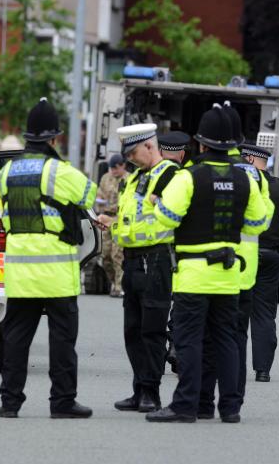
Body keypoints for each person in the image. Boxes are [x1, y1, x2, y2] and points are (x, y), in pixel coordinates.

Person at [147, 105, 271, 423]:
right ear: (234, 144)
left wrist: (158, 205)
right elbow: (258, 223)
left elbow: (167, 217)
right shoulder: (247, 179)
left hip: (193, 274)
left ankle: (186, 405)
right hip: (230, 274)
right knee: (228, 340)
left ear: (201, 144)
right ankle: (230, 408)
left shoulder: (189, 177)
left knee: (189, 340)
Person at [0, 98, 98, 419]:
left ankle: (9, 403)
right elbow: (89, 196)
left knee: (15, 341)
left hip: (19, 273)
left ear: (27, 136)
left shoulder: (8, 170)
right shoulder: (59, 170)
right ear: (54, 139)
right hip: (56, 274)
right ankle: (62, 402)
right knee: (62, 341)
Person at [98, 123, 179, 414]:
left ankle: (151, 393)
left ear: (149, 146)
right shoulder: (133, 180)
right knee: (132, 329)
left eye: (133, 153)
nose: (130, 159)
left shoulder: (171, 176)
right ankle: (138, 389)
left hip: (156, 259)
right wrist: (112, 223)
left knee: (152, 330)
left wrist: (121, 227)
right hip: (132, 258)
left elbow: (164, 221)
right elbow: (130, 219)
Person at [198, 104, 273, 416]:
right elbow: (263, 218)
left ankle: (202, 402)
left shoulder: (200, 172)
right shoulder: (255, 175)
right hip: (244, 269)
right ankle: (232, 404)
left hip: (205, 268)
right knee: (234, 339)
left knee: (205, 338)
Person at [241, 142, 279, 383]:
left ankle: (229, 365)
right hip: (270, 256)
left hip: (243, 256)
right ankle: (262, 370)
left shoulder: (243, 184)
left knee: (235, 312)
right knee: (264, 314)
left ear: (249, 160)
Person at [157, 130, 191, 374]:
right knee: (180, 304)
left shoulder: (150, 176)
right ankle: (177, 349)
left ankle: (155, 355)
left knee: (156, 304)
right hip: (182, 250)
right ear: (183, 154)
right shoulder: (189, 177)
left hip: (153, 250)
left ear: (160, 151)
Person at [96, 154, 127, 298]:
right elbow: (99, 194)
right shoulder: (105, 178)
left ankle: (119, 286)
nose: (113, 170)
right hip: (106, 217)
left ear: (123, 166)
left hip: (119, 218)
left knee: (117, 254)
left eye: (116, 168)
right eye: (111, 168)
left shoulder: (129, 179)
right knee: (105, 254)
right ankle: (113, 281)